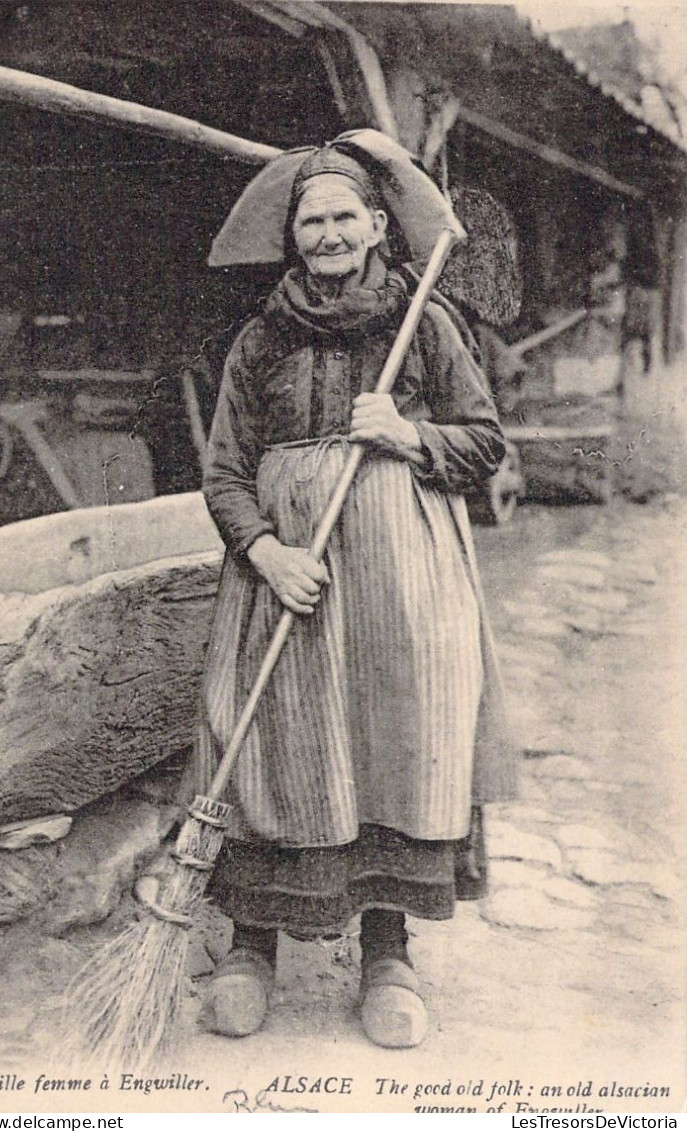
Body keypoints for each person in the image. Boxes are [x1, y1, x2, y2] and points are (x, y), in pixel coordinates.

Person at [196, 138, 517, 1049]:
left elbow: (485, 441)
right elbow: (223, 472)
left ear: (378, 226)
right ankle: (249, 945)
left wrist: (410, 435)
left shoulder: (426, 325)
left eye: (346, 216)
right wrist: (264, 550)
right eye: (312, 221)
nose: (330, 233)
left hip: (400, 582)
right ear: (292, 240)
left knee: (391, 746)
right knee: (263, 745)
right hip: (287, 580)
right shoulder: (258, 341)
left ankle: (386, 949)